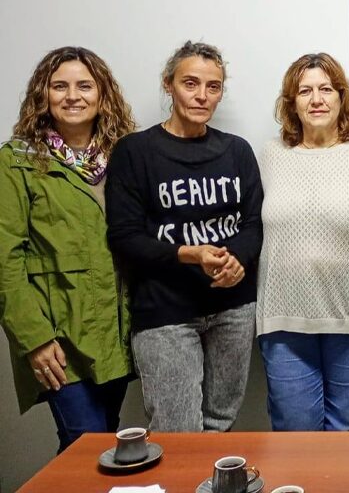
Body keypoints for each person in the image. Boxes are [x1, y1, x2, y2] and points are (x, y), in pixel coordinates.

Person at [105, 41, 263, 432]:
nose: (201, 95)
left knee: (220, 423)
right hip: (166, 310)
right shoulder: (135, 152)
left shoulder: (237, 151)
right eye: (190, 83)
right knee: (177, 431)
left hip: (233, 307)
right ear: (169, 85)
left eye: (213, 86)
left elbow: (253, 223)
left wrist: (237, 259)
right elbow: (125, 237)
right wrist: (189, 254)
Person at [256, 52, 349, 431]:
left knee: (345, 436)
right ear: (292, 102)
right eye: (305, 91)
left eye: (326, 89)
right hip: (284, 324)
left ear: (341, 97)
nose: (316, 99)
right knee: (296, 436)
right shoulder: (270, 156)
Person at [0, 47, 135, 451]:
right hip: (59, 336)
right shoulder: (17, 161)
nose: (72, 96)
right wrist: (35, 339)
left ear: (102, 95)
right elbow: (5, 260)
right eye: (60, 86)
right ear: (43, 95)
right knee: (86, 446)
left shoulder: (124, 155)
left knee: (106, 443)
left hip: (115, 333)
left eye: (84, 86)